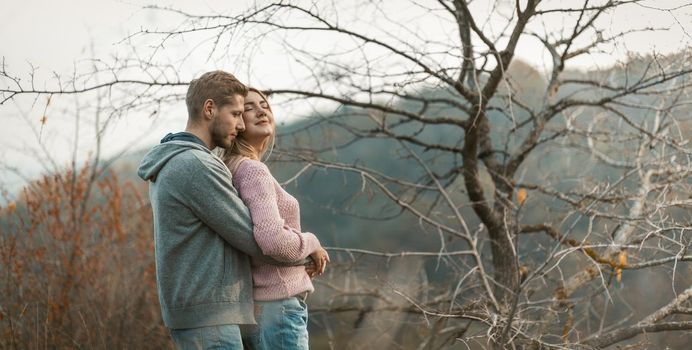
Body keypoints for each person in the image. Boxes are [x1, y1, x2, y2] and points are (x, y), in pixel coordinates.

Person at [138, 71, 297, 349]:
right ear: (210, 109)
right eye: (236, 113)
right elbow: (252, 237)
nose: (240, 124)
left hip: (203, 313)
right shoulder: (196, 165)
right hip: (209, 317)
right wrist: (306, 249)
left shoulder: (178, 160)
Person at [222, 87, 330, 350]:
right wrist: (312, 243)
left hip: (264, 308)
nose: (261, 110)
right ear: (236, 121)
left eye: (264, 105)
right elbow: (272, 241)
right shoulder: (252, 171)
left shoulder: (236, 167)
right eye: (249, 108)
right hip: (277, 307)